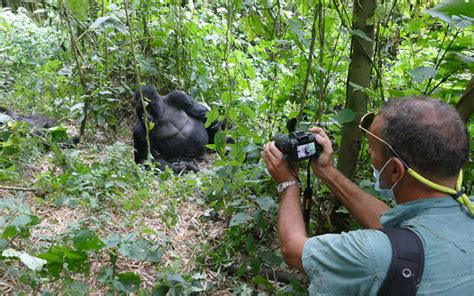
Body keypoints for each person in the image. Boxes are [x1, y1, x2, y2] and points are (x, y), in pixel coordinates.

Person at [261, 96, 473, 295]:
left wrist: (288, 183)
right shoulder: (466, 213)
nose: (371, 155)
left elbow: (293, 249)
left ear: (395, 171)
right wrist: (327, 172)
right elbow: (403, 237)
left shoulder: (372, 256)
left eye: (372, 150)